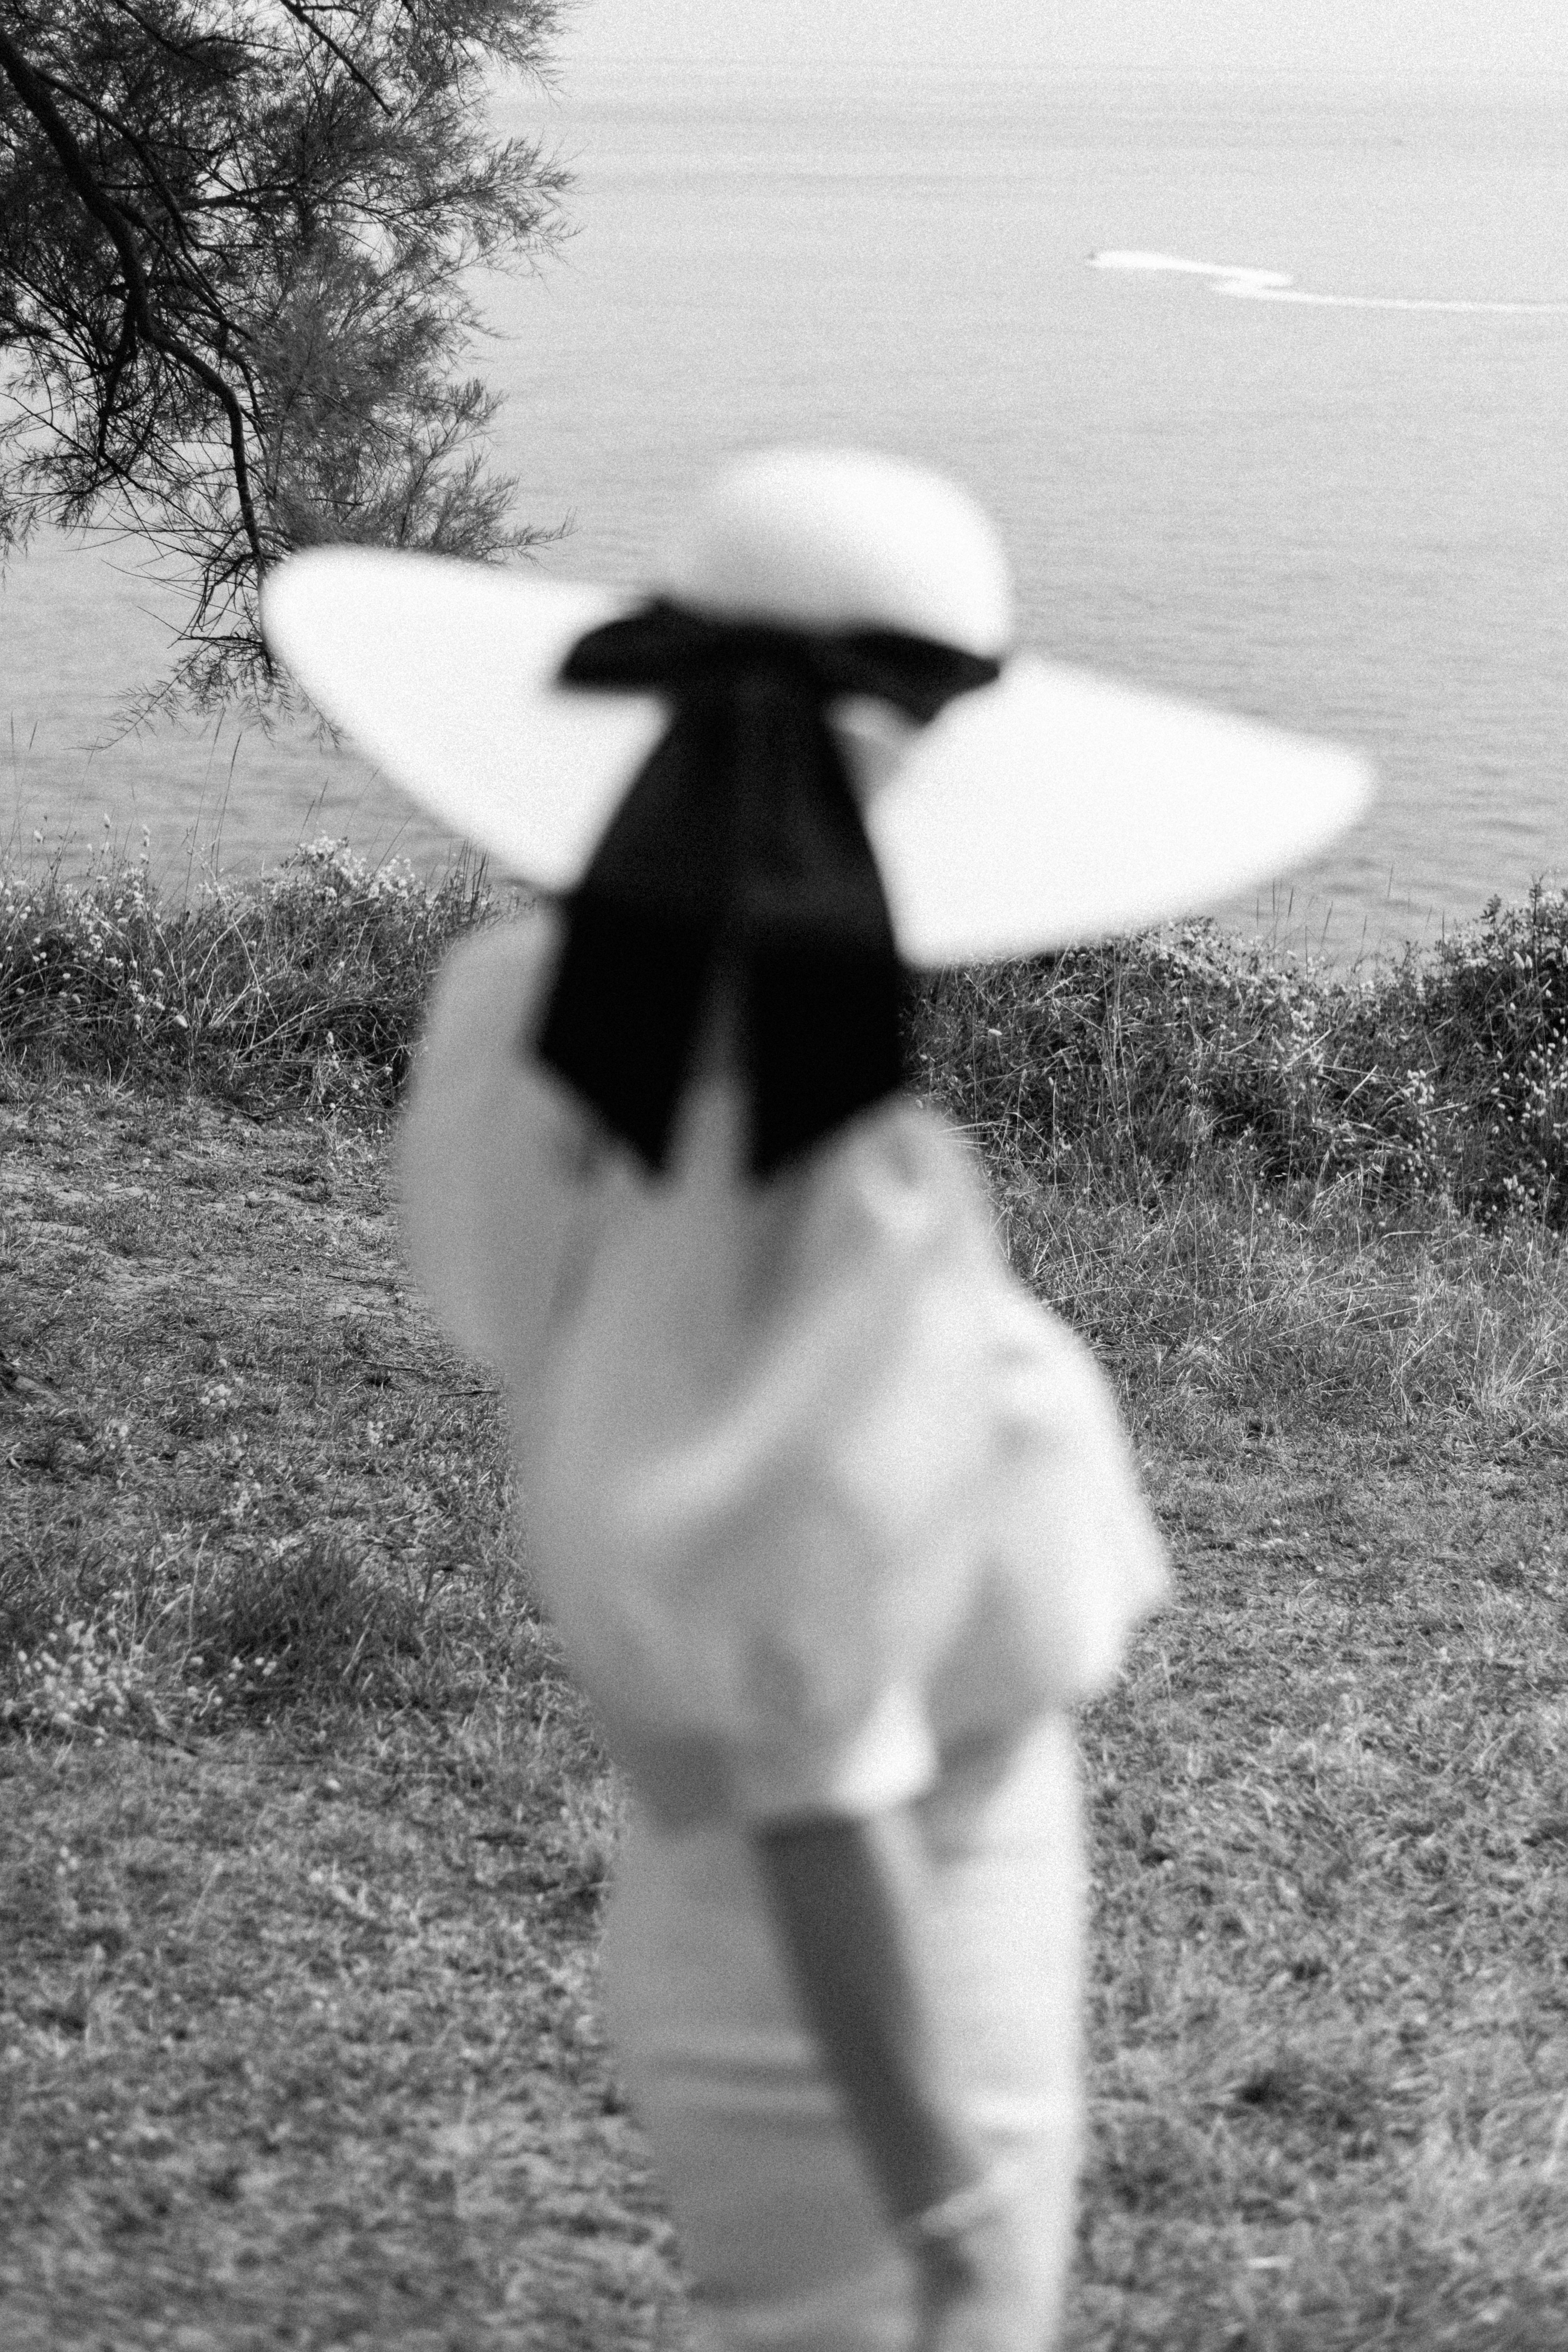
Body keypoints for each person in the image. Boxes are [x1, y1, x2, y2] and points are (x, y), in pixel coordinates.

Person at [262, 448, 1368, 2351]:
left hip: (744, 1894)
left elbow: (542, 1348)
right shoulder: (803, 1148)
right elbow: (813, 1744)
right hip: (884, 1921)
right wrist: (942, 2186)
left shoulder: (530, 1016)